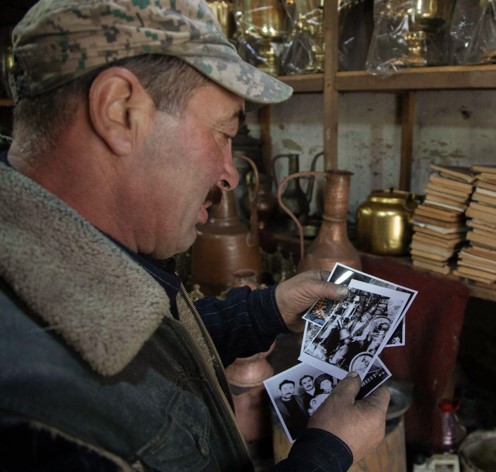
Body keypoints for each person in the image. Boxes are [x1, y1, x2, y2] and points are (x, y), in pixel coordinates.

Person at [0, 0, 390, 470]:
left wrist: (262, 311)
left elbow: (146, 347)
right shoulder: (41, 414)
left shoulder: (67, 258)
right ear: (120, 111)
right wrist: (326, 452)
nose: (230, 175)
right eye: (224, 133)